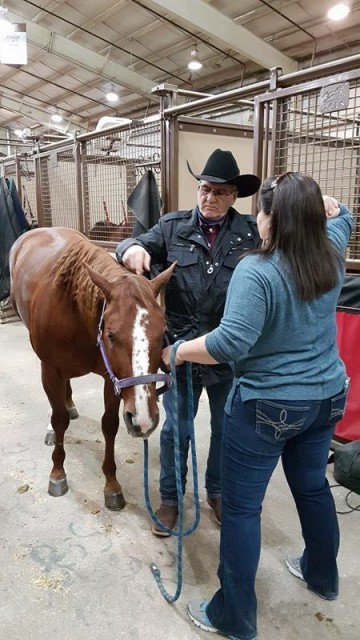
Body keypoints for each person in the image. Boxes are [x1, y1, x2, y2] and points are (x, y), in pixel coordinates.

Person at [162, 172, 353, 640]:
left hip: (269, 405)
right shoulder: (331, 248)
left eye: (261, 211)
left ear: (271, 217)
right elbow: (343, 215)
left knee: (244, 509)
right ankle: (322, 576)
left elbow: (229, 343)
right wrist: (325, 200)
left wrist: (179, 350)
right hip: (327, 397)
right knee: (312, 488)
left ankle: (234, 617)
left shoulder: (258, 269)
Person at [116, 149, 261, 534]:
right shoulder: (171, 226)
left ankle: (217, 490)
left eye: (220, 192)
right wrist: (133, 249)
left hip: (227, 353)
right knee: (175, 430)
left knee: (226, 428)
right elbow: (131, 245)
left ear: (234, 197)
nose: (209, 198)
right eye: (204, 189)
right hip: (177, 350)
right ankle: (170, 501)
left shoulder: (251, 234)